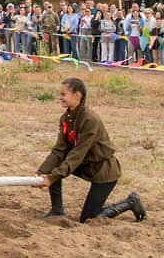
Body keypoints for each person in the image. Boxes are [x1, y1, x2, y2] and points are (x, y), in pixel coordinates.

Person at [33, 78, 146, 223]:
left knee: (88, 218)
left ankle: (130, 202)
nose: (59, 98)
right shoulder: (66, 118)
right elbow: (59, 150)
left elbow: (77, 154)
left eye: (63, 94)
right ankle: (57, 210)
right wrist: (41, 172)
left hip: (103, 171)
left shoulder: (89, 120)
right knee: (55, 166)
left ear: (77, 95)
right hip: (85, 165)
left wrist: (51, 178)